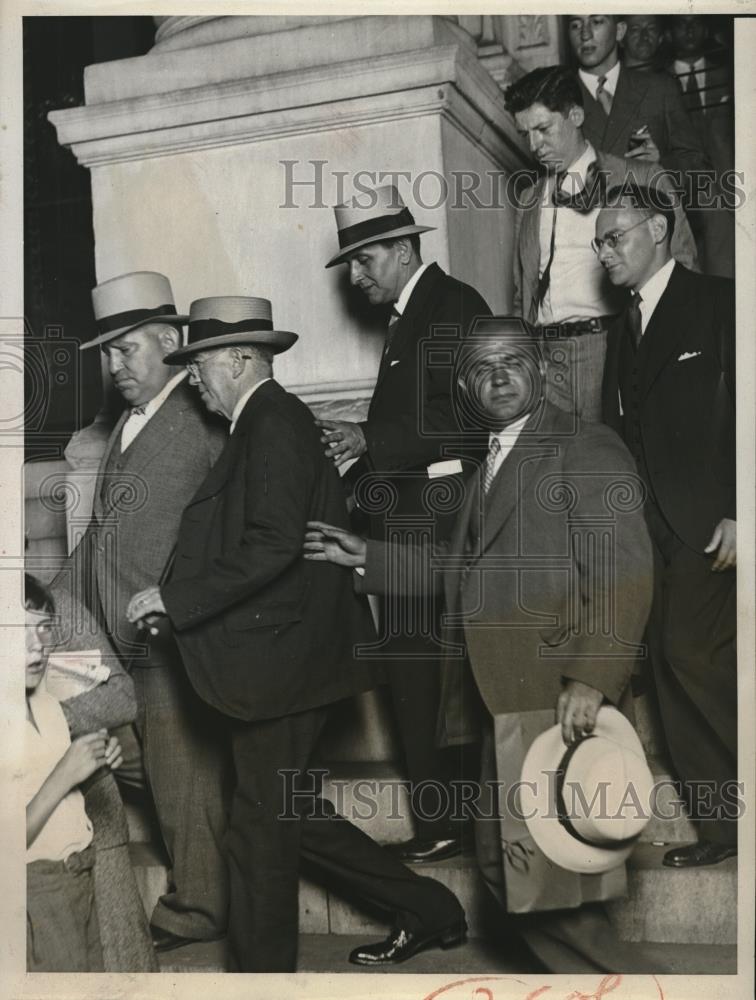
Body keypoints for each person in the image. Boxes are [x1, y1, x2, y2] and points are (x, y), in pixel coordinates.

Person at [304, 316, 668, 973]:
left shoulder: (584, 448)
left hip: (554, 703)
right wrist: (370, 557)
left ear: (543, 369)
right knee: (510, 877)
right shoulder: (491, 463)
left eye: (512, 362)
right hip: (499, 704)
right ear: (468, 386)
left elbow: (627, 572)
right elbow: (463, 567)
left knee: (553, 895)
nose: (498, 376)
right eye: (481, 368)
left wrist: (593, 677)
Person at [127, 296, 467, 972]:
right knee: (290, 813)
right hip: (282, 656)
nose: (192, 377)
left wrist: (178, 596)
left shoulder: (273, 422)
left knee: (258, 829)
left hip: (283, 662)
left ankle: (260, 979)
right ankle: (431, 910)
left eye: (199, 364)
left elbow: (273, 545)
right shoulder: (265, 423)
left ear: (237, 359)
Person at [54, 270, 230, 953]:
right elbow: (100, 536)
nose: (115, 365)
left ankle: (199, 908)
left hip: (173, 637)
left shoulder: (203, 416)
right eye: (107, 352)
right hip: (117, 642)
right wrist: (39, 605)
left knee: (182, 775)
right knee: (134, 763)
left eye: (128, 348)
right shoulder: (131, 423)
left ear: (171, 338)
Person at [319, 183, 492, 863]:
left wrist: (369, 439)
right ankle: (439, 821)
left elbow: (473, 424)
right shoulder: (411, 316)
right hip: (407, 518)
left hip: (438, 518)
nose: (357, 277)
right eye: (353, 265)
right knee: (413, 673)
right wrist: (358, 463)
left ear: (404, 248)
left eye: (366, 260)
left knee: (428, 675)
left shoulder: (452, 308)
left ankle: (448, 822)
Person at [596, 184, 737, 868]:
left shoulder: (721, 303)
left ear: (657, 228)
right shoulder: (623, 327)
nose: (604, 253)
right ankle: (722, 829)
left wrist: (745, 508)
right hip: (648, 531)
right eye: (597, 241)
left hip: (714, 524)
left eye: (613, 237)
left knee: (692, 655)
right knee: (672, 669)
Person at [504, 65, 697, 422]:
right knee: (555, 471)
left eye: (543, 129)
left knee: (611, 463)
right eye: (525, 134)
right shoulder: (529, 200)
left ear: (576, 115)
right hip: (545, 358)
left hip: (610, 347)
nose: (534, 146)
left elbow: (682, 266)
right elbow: (523, 291)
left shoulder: (639, 177)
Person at [25, 573, 122, 972]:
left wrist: (91, 762)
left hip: (78, 873)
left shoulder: (45, 703)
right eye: (18, 631)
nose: (37, 646)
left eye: (43, 628)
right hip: (36, 888)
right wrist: (65, 774)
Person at [567, 14, 708, 180]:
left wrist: (661, 165)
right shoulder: (558, 99)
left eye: (596, 22)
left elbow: (699, 167)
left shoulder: (659, 88)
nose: (585, 34)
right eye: (575, 25)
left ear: (620, 31)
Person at [666, 13, 734, 278]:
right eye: (681, 23)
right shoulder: (656, 84)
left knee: (724, 278)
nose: (689, 29)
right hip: (680, 194)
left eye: (695, 22)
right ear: (670, 33)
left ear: (706, 29)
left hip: (725, 196)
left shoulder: (730, 74)